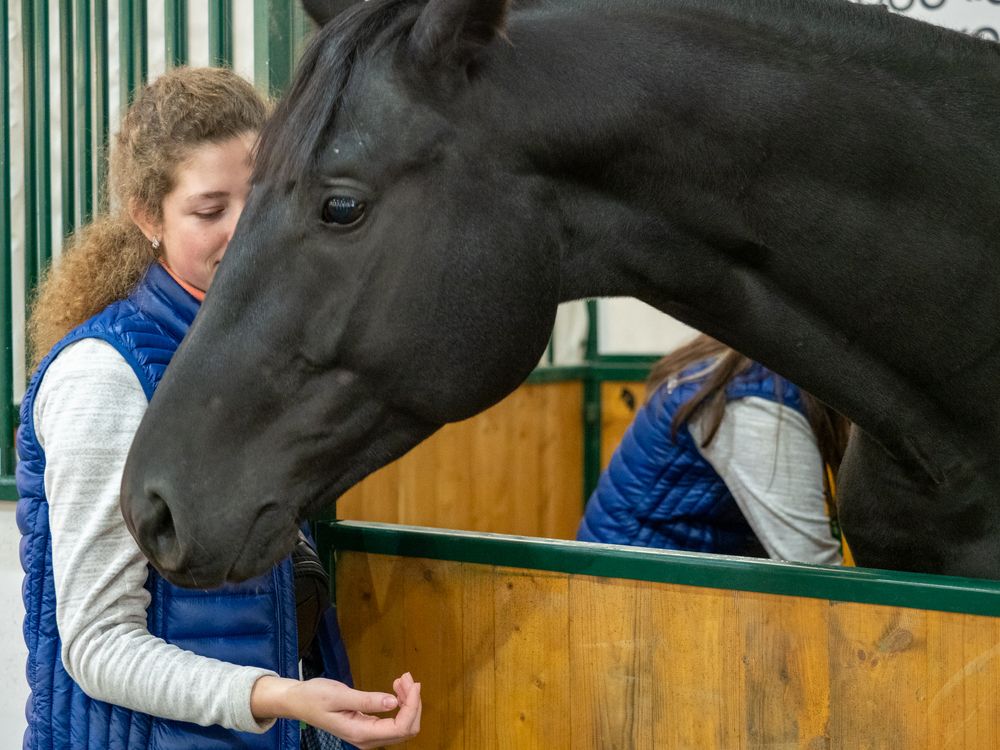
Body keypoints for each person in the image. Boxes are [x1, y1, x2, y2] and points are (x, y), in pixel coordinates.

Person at [16, 67, 420, 749]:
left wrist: (325, 712)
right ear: (148, 217)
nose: (246, 228)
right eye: (209, 211)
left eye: (260, 196)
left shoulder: (260, 354)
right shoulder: (103, 376)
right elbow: (98, 644)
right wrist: (279, 697)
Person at [577, 334, 849, 564]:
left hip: (635, 572)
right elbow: (810, 564)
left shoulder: (737, 360)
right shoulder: (756, 401)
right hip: (636, 588)